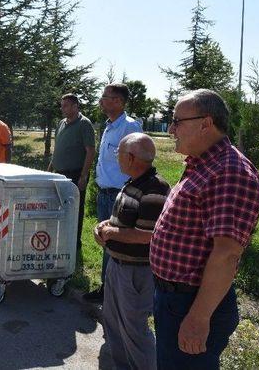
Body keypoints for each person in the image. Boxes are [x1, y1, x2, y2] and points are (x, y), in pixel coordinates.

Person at [150, 89, 259, 369]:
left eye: (177, 121)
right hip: (175, 298)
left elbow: (226, 254)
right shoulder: (204, 163)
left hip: (192, 304)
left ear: (206, 123)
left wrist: (198, 319)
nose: (172, 129)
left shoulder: (228, 172)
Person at [94, 133, 170, 370]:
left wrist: (111, 233)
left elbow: (147, 235)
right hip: (118, 266)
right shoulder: (133, 182)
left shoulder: (155, 188)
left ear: (131, 157)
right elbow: (125, 220)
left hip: (136, 273)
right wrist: (104, 225)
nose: (116, 157)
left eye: (118, 153)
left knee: (134, 330)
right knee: (113, 322)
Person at [83, 83, 142, 303]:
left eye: (105, 96)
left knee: (118, 244)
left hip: (120, 194)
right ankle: (106, 290)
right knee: (106, 241)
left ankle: (117, 293)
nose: (101, 100)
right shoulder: (109, 126)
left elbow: (139, 162)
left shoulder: (130, 127)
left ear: (118, 101)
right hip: (105, 193)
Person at [47, 94, 95, 249]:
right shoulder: (61, 123)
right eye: (62, 105)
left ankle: (74, 244)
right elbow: (58, 148)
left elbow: (90, 151)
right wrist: (50, 168)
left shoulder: (84, 124)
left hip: (75, 174)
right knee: (59, 206)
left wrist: (84, 175)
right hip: (58, 173)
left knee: (75, 209)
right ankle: (60, 238)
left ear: (75, 106)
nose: (63, 108)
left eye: (66, 105)